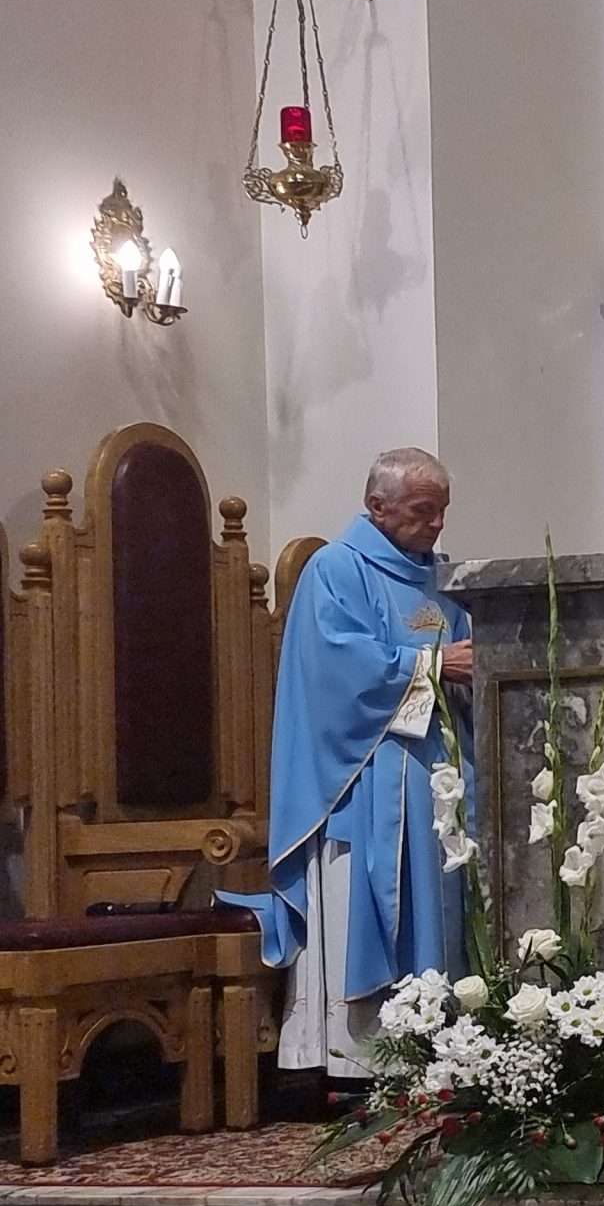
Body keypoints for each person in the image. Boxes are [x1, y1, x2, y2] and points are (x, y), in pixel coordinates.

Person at [238, 449, 471, 1075]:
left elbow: (463, 654)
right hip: (362, 781)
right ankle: (358, 1058)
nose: (436, 524)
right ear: (377, 506)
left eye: (442, 511)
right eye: (423, 510)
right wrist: (434, 665)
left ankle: (442, 1049)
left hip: (440, 773)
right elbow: (338, 670)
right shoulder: (336, 569)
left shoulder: (445, 579)